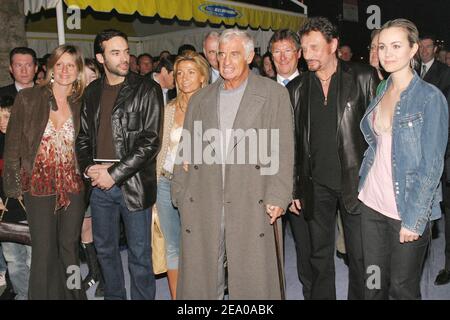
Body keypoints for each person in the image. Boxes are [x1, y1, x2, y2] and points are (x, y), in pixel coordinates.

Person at [171, 29, 294, 299]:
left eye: (234, 54)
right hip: (204, 197)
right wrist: (179, 191)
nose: (225, 61)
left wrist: (278, 195)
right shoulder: (201, 99)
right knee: (204, 275)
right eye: (221, 54)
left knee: (252, 276)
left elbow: (283, 150)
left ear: (250, 56)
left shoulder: (273, 94)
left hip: (253, 197)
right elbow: (186, 149)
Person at [287, 17, 379, 300]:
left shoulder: (363, 77)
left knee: (360, 258)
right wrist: (294, 187)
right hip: (316, 185)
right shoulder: (297, 88)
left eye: (314, 47)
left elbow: (379, 134)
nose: (308, 54)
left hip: (357, 183)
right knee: (319, 256)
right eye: (303, 48)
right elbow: (292, 144)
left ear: (333, 45)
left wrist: (376, 181)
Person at [358, 18, 448, 299]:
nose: (387, 53)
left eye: (396, 45)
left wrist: (414, 219)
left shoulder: (430, 98)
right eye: (382, 46)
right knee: (373, 283)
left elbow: (432, 165)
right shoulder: (382, 88)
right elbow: (377, 144)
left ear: (413, 50)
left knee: (402, 289)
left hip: (405, 208)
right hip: (371, 203)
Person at [76, 29, 163, 300]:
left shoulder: (147, 88)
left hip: (132, 183)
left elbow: (150, 142)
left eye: (126, 51)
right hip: (99, 184)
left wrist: (113, 174)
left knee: (139, 253)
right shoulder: (91, 91)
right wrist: (89, 168)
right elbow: (82, 138)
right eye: (116, 53)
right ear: (100, 58)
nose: (125, 58)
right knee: (105, 250)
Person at [3, 44, 87, 300]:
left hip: (72, 186)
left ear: (78, 70)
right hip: (37, 186)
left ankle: (74, 294)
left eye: (71, 64)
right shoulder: (29, 98)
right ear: (50, 68)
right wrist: (13, 188)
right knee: (43, 249)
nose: (64, 70)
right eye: (59, 64)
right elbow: (13, 145)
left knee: (70, 247)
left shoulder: (84, 101)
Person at [156, 51, 209, 299]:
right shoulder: (168, 110)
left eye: (191, 72)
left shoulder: (213, 110)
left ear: (202, 77)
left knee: (200, 244)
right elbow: (159, 150)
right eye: (180, 73)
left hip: (199, 186)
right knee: (173, 245)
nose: (184, 78)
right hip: (166, 183)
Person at [268, 28, 313, 299]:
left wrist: (297, 187)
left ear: (299, 54)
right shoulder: (260, 88)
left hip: (302, 184)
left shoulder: (312, 86)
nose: (282, 57)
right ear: (270, 57)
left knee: (306, 247)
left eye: (288, 51)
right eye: (276, 52)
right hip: (268, 183)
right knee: (267, 249)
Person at [0, 95, 31, 300]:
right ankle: (22, 295)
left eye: (6, 116)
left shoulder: (29, 141)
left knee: (33, 260)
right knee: (13, 260)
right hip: (6, 212)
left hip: (31, 209)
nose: (2, 122)